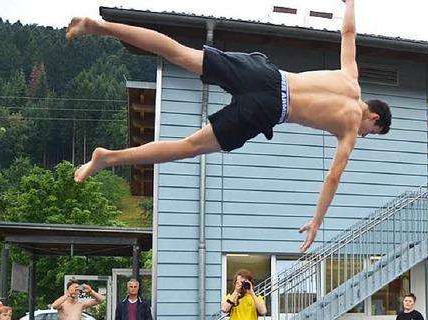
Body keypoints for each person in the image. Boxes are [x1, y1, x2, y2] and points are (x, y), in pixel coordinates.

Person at [65, 0, 392, 252]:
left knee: (181, 54)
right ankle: (109, 158)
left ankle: (103, 27)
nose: (365, 135)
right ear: (374, 118)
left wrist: (350, 2)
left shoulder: (350, 77)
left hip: (265, 74)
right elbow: (333, 177)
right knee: (189, 147)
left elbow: (347, 33)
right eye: (371, 132)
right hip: (267, 109)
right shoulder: (350, 128)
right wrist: (317, 222)